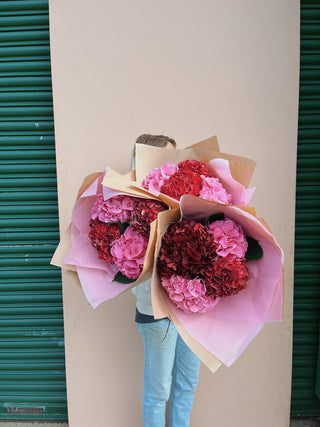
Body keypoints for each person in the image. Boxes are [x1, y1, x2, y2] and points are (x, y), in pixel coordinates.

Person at [132, 134, 201, 427]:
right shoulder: (131, 204)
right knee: (158, 393)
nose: (171, 164)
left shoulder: (188, 197)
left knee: (187, 386)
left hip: (192, 312)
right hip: (156, 313)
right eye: (164, 158)